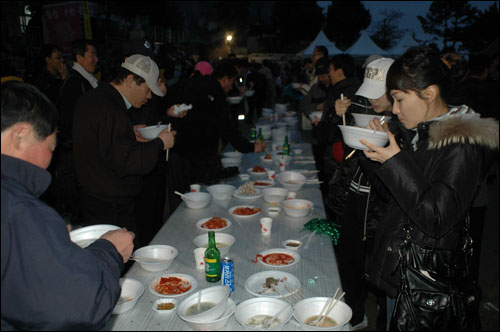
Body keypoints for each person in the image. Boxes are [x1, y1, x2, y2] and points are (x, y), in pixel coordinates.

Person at [361, 46, 498, 330]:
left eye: (399, 99)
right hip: (402, 271)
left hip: (424, 281)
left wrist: (396, 161)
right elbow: (397, 200)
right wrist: (380, 155)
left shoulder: (461, 144)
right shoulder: (421, 132)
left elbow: (436, 218)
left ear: (430, 93)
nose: (395, 110)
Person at [1, 81, 135, 330]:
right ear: (20, 136)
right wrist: (110, 251)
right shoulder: (18, 208)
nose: (50, 161)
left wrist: (45, 243)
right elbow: (81, 304)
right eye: (50, 148)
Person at [72, 54, 176, 242]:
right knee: (118, 256)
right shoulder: (113, 109)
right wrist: (160, 143)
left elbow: (101, 139)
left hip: (91, 194)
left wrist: (129, 131)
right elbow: (129, 162)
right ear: (129, 80)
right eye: (147, 89)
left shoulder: (95, 98)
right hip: (111, 205)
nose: (149, 96)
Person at [328, 57, 395, 331]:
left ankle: (381, 316)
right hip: (352, 197)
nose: (372, 100)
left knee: (378, 270)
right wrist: (336, 115)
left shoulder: (405, 122)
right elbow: (332, 140)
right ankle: (355, 315)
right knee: (349, 261)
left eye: (378, 93)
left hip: (380, 210)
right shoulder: (362, 106)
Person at [168, 61, 266, 186]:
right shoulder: (216, 93)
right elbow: (228, 128)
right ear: (226, 79)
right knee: (200, 190)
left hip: (176, 150)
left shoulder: (190, 83)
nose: (231, 87)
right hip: (197, 153)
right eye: (231, 82)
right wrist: (251, 147)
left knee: (182, 194)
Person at [44, 39, 99, 225]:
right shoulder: (75, 83)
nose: (96, 59)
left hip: (80, 154)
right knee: (79, 208)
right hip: (75, 156)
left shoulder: (85, 81)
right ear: (79, 57)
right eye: (92, 54)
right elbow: (70, 122)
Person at [315, 53, 360, 203]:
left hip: (337, 157)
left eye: (331, 70)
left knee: (335, 200)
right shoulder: (361, 90)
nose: (329, 74)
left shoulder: (336, 94)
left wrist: (327, 120)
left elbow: (324, 134)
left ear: (339, 72)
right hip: (358, 162)